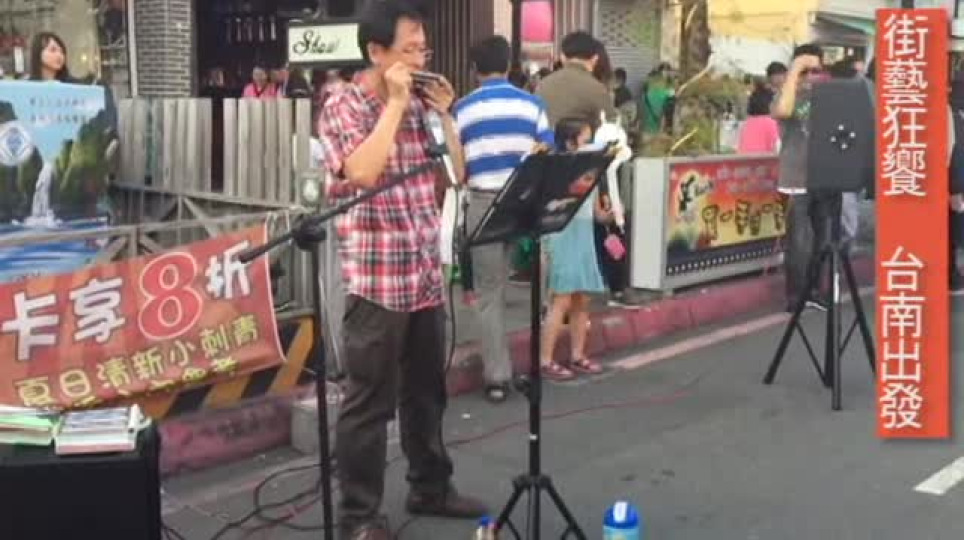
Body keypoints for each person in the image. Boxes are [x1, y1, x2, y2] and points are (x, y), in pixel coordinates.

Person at [315, 2, 487, 538]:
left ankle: (430, 487)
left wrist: (445, 115)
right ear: (376, 52)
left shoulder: (419, 105)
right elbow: (363, 172)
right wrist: (393, 103)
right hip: (377, 279)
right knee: (368, 402)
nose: (420, 59)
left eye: (423, 49)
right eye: (409, 50)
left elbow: (456, 174)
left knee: (426, 392)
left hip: (423, 272)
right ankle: (359, 517)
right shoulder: (342, 103)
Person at [454, 35, 554, 404]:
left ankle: (497, 377)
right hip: (523, 201)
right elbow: (547, 150)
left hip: (483, 202)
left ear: (474, 69)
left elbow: (456, 166)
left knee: (489, 293)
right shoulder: (533, 105)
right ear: (510, 64)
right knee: (525, 281)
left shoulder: (462, 109)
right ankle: (535, 361)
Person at [541, 117, 612, 380]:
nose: (591, 145)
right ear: (570, 143)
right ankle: (545, 360)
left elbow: (597, 213)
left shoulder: (591, 169)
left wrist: (609, 215)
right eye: (586, 139)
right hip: (561, 234)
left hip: (583, 234)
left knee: (582, 298)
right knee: (561, 299)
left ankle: (578, 355)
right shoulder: (555, 169)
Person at [771, 43, 832, 312]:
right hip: (795, 178)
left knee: (823, 240)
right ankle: (796, 296)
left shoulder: (827, 95)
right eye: (806, 71)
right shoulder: (787, 94)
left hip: (825, 177)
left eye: (815, 71)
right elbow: (782, 112)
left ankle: (816, 291)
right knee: (798, 242)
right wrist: (795, 71)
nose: (811, 77)